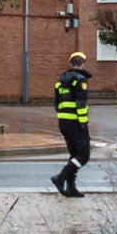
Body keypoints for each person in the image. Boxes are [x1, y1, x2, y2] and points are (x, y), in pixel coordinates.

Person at [50, 52, 92, 198]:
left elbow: (56, 104)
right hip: (76, 122)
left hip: (63, 123)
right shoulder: (80, 80)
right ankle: (60, 178)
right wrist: (83, 123)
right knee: (84, 155)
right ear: (83, 64)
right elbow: (81, 104)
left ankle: (71, 187)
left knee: (74, 154)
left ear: (71, 64)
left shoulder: (60, 81)